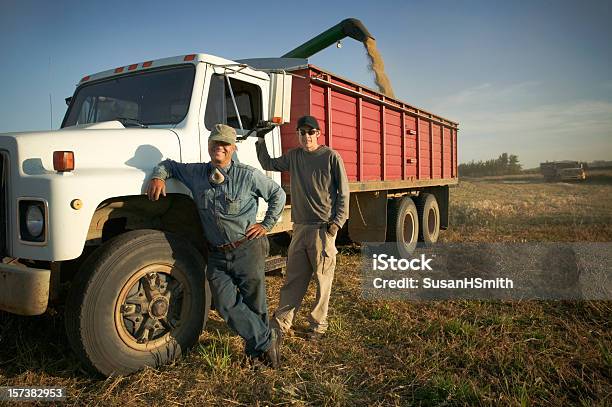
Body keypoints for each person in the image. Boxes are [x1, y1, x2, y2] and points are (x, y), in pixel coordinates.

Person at [147, 124, 286, 367]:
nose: (219, 148)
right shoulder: (197, 173)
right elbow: (169, 164)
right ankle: (267, 339)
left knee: (256, 303)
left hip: (247, 248)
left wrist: (266, 224)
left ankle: (256, 355)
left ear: (233, 148)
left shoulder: (247, 175)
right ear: (209, 146)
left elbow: (278, 194)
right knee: (223, 304)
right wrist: (159, 176)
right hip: (217, 256)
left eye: (224, 144)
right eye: (215, 143)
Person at [256, 115, 349, 341]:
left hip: (322, 229)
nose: (306, 136)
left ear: (318, 134)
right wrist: (260, 139)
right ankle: (281, 323)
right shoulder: (294, 157)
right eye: (302, 132)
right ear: (298, 134)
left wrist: (335, 225)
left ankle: (318, 326)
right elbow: (268, 163)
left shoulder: (331, 157)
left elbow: (344, 194)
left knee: (322, 281)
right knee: (294, 279)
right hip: (299, 228)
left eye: (310, 132)